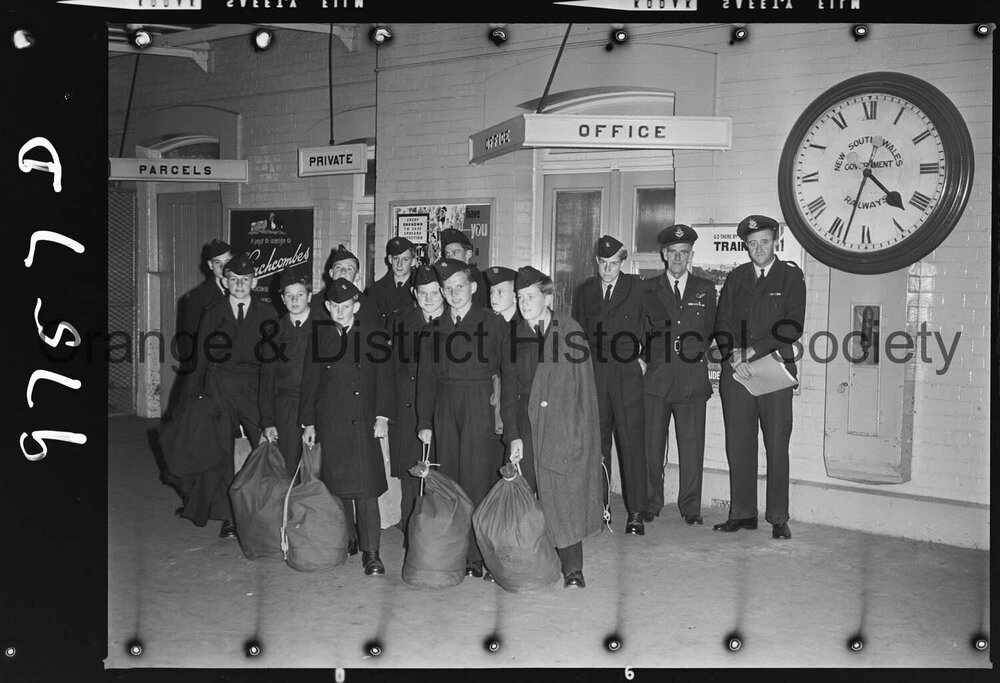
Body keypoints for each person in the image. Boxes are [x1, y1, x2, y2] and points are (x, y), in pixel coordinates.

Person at [501, 266, 605, 589]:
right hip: (528, 426)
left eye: (530, 296)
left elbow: (584, 390)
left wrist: (581, 435)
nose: (524, 303)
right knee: (526, 494)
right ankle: (530, 562)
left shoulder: (570, 331)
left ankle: (573, 568)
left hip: (562, 426)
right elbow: (508, 391)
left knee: (563, 495)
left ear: (548, 296)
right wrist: (513, 436)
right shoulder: (514, 335)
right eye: (520, 298)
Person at [712, 215, 805, 540]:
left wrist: (752, 351)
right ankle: (743, 513)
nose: (758, 248)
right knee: (739, 443)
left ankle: (778, 517)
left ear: (775, 240)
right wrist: (732, 357)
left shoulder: (790, 276)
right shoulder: (737, 277)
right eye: (752, 243)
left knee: (777, 444)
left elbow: (792, 326)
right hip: (738, 372)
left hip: (774, 369)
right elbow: (722, 323)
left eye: (764, 241)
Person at [416, 258, 508, 578]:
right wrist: (424, 422)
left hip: (480, 403)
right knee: (452, 479)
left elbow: (506, 372)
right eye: (448, 288)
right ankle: (454, 550)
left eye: (459, 286)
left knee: (479, 477)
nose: (454, 293)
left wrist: (503, 414)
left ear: (472, 287)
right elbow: (426, 378)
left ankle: (477, 554)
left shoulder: (492, 323)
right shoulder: (435, 328)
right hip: (445, 404)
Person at [572, 235, 666, 536]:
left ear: (621, 263)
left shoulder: (637, 287)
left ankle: (636, 512)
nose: (607, 270)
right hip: (596, 373)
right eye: (603, 264)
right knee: (597, 444)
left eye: (613, 264)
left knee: (632, 443)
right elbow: (578, 332)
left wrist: (645, 358)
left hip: (626, 372)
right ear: (596, 262)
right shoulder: (585, 291)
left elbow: (661, 324)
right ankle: (600, 508)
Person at [300, 279, 395, 575]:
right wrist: (309, 422)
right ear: (327, 307)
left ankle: (372, 553)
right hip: (331, 422)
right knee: (339, 487)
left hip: (364, 422)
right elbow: (310, 382)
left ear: (355, 307)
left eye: (346, 307)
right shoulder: (320, 339)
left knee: (366, 490)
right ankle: (349, 540)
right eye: (334, 307)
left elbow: (386, 379)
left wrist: (382, 416)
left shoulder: (373, 337)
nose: (340, 312)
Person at [181, 253, 278, 539]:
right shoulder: (213, 312)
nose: (239, 285)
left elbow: (271, 363)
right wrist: (193, 396)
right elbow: (199, 357)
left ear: (254, 282)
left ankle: (265, 511)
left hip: (253, 387)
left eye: (245, 280)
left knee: (264, 446)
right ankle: (229, 517)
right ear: (225, 281)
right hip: (219, 386)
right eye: (234, 279)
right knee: (222, 452)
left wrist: (268, 403)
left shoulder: (268, 314)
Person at [642, 224, 717, 526]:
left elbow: (710, 330)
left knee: (692, 447)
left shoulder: (705, 288)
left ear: (690, 255)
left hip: (690, 380)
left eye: (683, 253)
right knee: (651, 446)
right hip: (657, 378)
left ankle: (691, 507)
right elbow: (641, 330)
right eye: (672, 253)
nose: (677, 258)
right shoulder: (648, 287)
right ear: (664, 254)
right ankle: (650, 502)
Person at [386, 264, 445, 535]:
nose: (429, 298)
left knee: (442, 471)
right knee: (411, 473)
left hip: (443, 407)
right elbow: (390, 369)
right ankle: (412, 533)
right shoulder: (400, 323)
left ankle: (439, 532)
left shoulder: (454, 321)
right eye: (423, 293)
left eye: (434, 292)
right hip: (408, 407)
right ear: (414, 292)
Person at [258, 270, 313, 477]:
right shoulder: (275, 331)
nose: (294, 300)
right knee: (288, 469)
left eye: (300, 294)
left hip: (318, 405)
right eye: (289, 295)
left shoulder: (322, 328)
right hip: (287, 408)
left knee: (318, 470)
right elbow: (267, 380)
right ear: (282, 299)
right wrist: (268, 421)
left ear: (309, 296)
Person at [169, 239, 232, 413]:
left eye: (227, 262)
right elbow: (188, 342)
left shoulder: (241, 291)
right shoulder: (197, 298)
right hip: (210, 372)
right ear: (210, 265)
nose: (222, 267)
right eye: (217, 263)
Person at [485, 265, 519, 437]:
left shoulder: (524, 324)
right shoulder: (486, 323)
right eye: (491, 292)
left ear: (515, 296)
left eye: (500, 292)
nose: (493, 297)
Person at [367, 236, 417, 328]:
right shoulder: (375, 290)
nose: (399, 264)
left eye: (405, 259)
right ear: (390, 259)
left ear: (413, 261)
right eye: (396, 258)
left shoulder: (420, 288)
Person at [438, 227, 490, 309]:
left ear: (468, 254)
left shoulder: (478, 278)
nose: (450, 257)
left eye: (455, 253)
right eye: (447, 254)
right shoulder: (443, 276)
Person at [310, 244, 366, 317]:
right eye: (338, 267)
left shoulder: (366, 304)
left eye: (349, 269)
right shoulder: (315, 302)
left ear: (357, 277)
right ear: (331, 273)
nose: (343, 271)